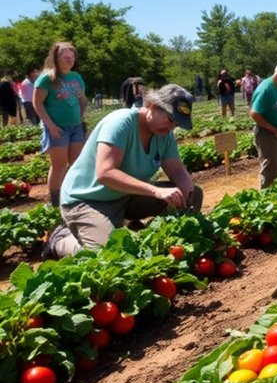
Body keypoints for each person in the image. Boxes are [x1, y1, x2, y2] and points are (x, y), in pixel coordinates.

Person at [43, 84, 202, 258]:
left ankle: (142, 239)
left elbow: (177, 170)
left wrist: (188, 197)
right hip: (87, 200)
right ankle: (61, 240)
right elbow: (105, 173)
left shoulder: (164, 134)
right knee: (110, 255)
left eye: (177, 124)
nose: (171, 128)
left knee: (193, 194)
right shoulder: (120, 123)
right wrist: (156, 190)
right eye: (170, 120)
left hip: (125, 196)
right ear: (153, 106)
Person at [33, 42, 88, 206]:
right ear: (56, 58)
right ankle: (55, 201)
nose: (69, 60)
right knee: (59, 166)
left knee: (77, 164)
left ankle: (74, 196)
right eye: (65, 57)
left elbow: (83, 100)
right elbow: (38, 104)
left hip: (76, 127)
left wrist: (81, 112)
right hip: (57, 128)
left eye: (72, 57)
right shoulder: (47, 78)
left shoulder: (76, 77)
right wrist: (50, 125)